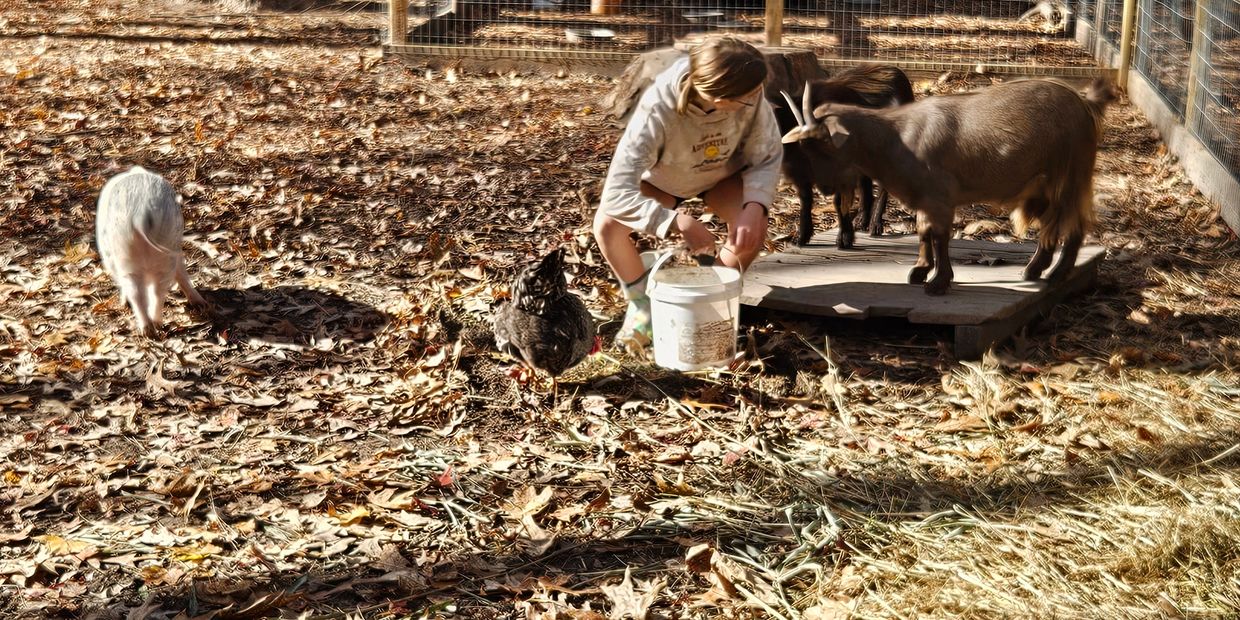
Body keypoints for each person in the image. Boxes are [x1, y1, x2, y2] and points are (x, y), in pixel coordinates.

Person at [593, 36, 783, 351]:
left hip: (723, 176)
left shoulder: (751, 93)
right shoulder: (658, 109)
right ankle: (642, 306)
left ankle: (711, 299)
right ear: (719, 97)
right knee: (607, 227)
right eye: (748, 98)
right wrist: (675, 222)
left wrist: (754, 204)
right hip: (665, 181)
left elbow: (767, 154)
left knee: (752, 229)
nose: (756, 99)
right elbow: (616, 194)